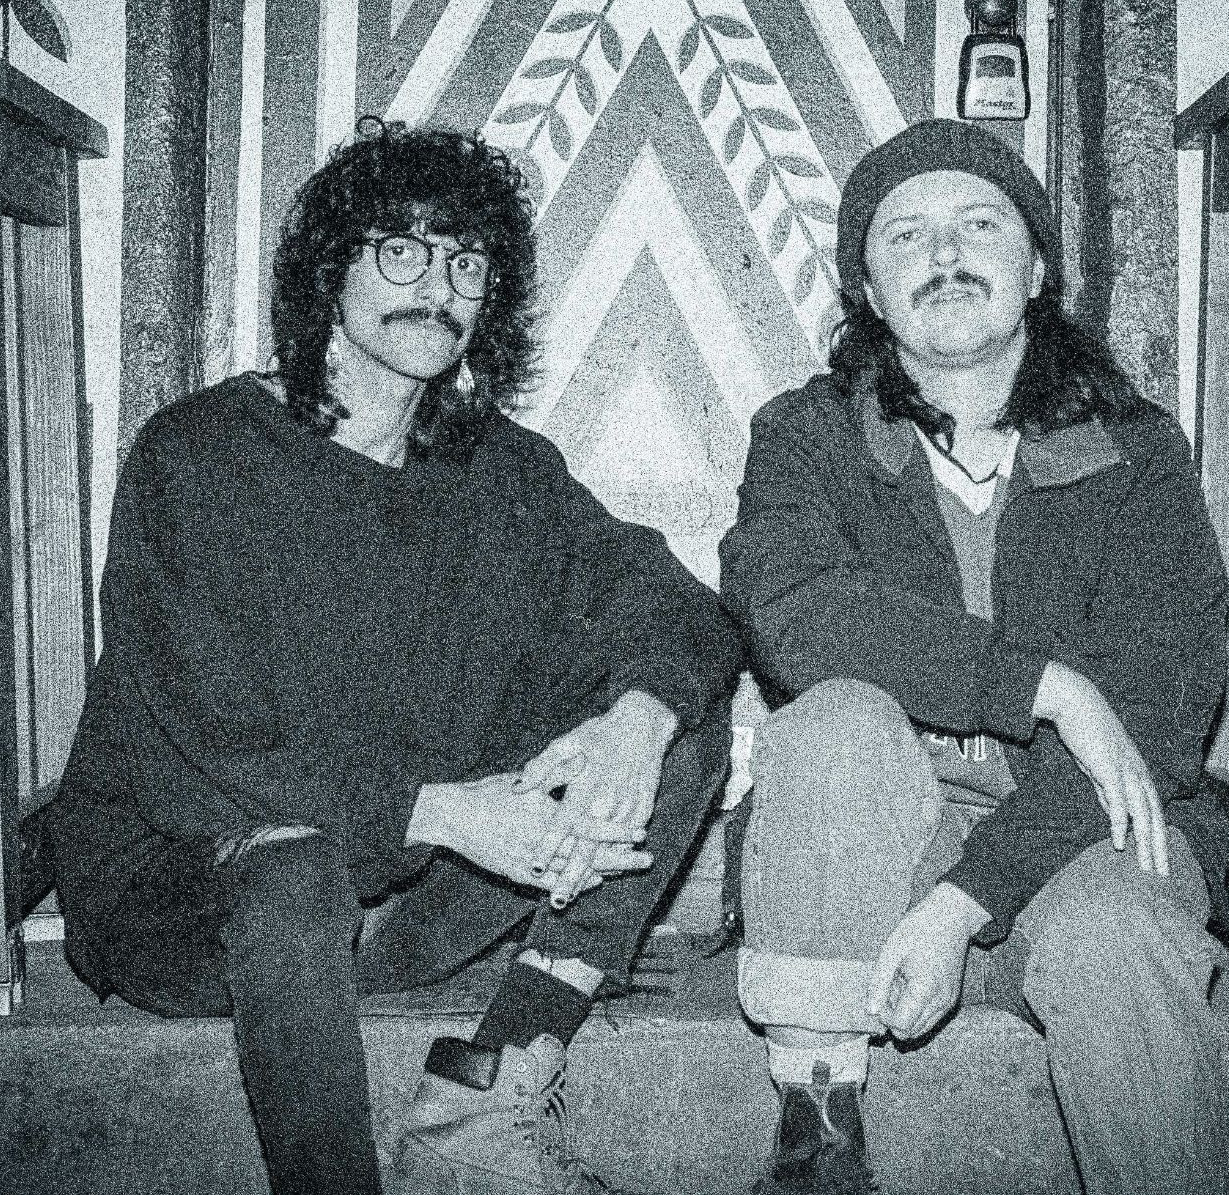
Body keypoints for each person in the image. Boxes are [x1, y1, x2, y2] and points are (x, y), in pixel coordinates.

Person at [44, 118, 741, 1195]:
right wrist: (447, 812)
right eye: (403, 249)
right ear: (330, 271)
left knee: (673, 717)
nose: (439, 287)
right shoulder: (199, 455)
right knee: (294, 866)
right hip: (193, 898)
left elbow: (671, 600)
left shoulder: (501, 470)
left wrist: (636, 723)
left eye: (467, 262)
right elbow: (210, 747)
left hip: (401, 903)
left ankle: (487, 1097)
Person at [720, 119, 1229, 1195]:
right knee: (833, 720)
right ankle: (817, 1125)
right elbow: (791, 607)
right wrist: (1042, 684)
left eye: (980, 224)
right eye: (905, 235)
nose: (945, 253)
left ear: (1037, 268)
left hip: (1075, 844)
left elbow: (1152, 710)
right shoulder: (808, 434)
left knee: (1114, 934)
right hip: (866, 864)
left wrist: (966, 900)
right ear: (868, 290)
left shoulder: (1135, 452)